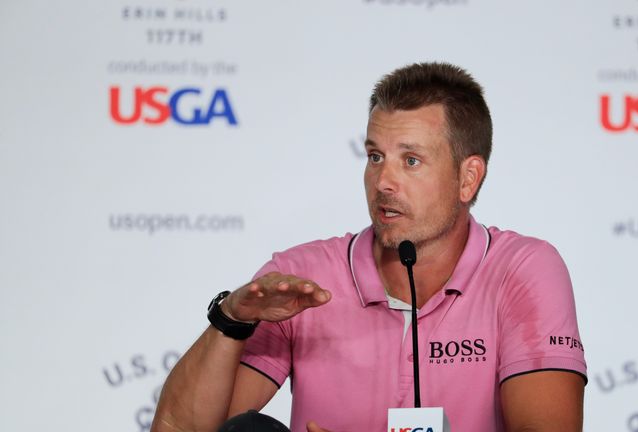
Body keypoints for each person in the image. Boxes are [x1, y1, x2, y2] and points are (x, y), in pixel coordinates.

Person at [151, 62, 587, 432]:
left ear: (468, 178)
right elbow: (176, 430)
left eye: (410, 161)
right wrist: (230, 321)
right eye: (375, 156)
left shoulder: (523, 268)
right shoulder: (303, 277)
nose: (383, 182)